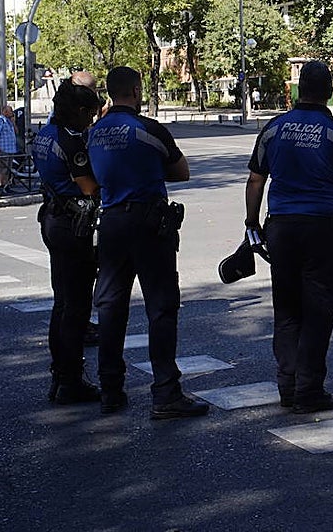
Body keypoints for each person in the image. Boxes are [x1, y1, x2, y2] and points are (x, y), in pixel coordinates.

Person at [245, 61, 333, 414]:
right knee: (318, 310)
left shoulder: (273, 129)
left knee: (287, 309)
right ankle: (308, 389)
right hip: (322, 230)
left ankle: (287, 386)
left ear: (297, 90)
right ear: (330, 91)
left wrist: (252, 222)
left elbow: (256, 180)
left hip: (282, 229)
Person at [86, 66, 207, 420]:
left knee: (110, 308)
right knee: (161, 307)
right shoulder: (148, 129)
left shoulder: (95, 133)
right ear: (137, 91)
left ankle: (110, 389)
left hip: (110, 222)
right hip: (149, 224)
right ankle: (166, 393)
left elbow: (92, 177)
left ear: (110, 93)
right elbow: (181, 171)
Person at [33, 82, 103, 406]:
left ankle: (59, 376)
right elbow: (89, 187)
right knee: (76, 308)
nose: (91, 120)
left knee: (61, 303)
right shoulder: (70, 140)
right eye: (89, 113)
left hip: (51, 217)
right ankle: (71, 380)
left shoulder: (45, 134)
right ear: (78, 111)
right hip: (71, 224)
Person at [0, 104, 18, 194]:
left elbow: (17, 132)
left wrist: (13, 123)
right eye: (11, 111)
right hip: (4, 149)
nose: (12, 113)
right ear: (5, 112)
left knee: (8, 169)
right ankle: (1, 188)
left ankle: (7, 186)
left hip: (11, 149)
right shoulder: (0, 121)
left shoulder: (9, 121)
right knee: (3, 170)